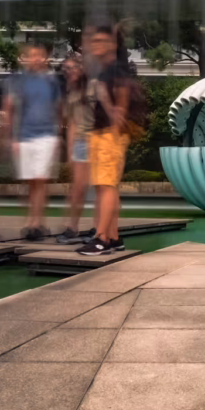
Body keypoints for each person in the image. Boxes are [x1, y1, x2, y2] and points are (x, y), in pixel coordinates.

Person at [77, 26, 133, 256]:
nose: (95, 44)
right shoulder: (105, 71)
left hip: (110, 134)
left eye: (102, 40)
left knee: (106, 186)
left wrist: (113, 129)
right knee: (103, 187)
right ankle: (112, 237)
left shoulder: (117, 71)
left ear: (112, 44)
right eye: (94, 41)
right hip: (100, 132)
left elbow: (121, 109)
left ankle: (101, 238)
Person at [1, 43, 63, 241]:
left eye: (40, 55)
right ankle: (31, 220)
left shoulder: (52, 82)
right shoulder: (17, 81)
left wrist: (57, 135)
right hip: (24, 137)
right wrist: (11, 137)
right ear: (25, 58)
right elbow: (9, 109)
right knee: (29, 182)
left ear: (45, 59)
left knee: (40, 180)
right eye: (32, 55)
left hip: (45, 136)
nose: (36, 59)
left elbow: (58, 109)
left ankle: (36, 222)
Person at [56, 54, 95, 245]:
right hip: (80, 143)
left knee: (99, 188)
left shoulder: (93, 87)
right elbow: (70, 123)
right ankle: (72, 228)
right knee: (77, 188)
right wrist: (71, 150)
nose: (68, 72)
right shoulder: (71, 92)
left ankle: (99, 229)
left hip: (97, 141)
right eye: (66, 69)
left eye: (72, 68)